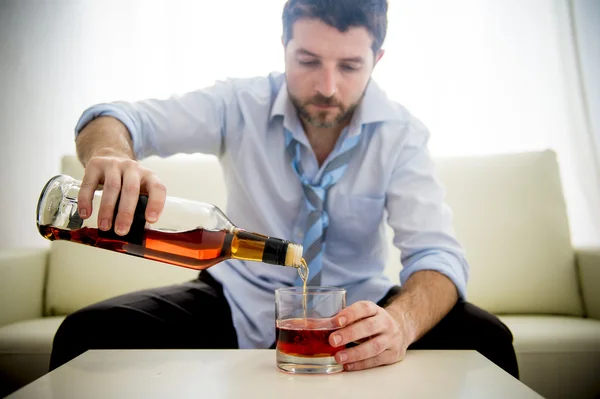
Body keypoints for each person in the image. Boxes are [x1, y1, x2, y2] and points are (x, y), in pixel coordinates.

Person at [49, 0, 519, 378]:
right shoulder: (239, 104)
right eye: (308, 61)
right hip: (238, 295)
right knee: (86, 333)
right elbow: (116, 117)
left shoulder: (401, 133)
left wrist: (400, 322)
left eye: (351, 66)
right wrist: (111, 154)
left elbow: (438, 256)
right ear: (284, 45)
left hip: (357, 306)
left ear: (377, 59)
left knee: (489, 338)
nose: (328, 87)